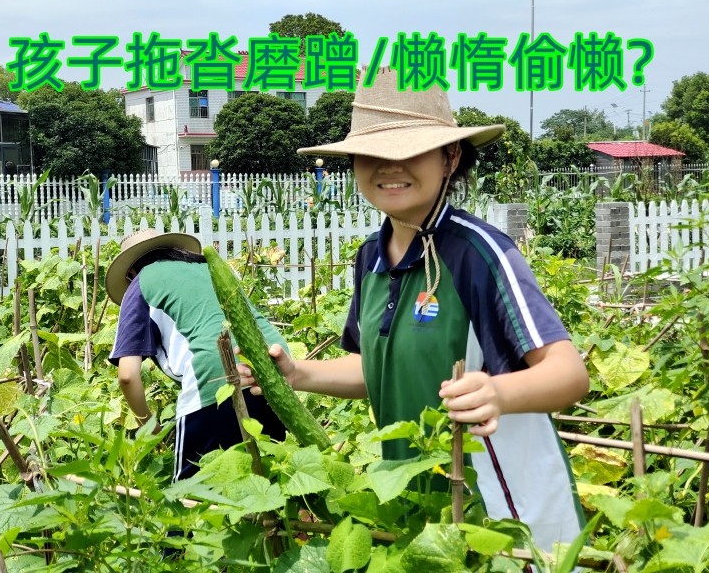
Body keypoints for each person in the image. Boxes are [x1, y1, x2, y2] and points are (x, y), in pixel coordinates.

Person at [238, 67, 590, 552]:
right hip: (417, 507)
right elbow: (375, 370)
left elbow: (569, 375)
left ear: (450, 157)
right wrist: (297, 373)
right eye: (372, 154)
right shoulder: (372, 258)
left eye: (410, 150)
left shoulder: (480, 254)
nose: (389, 166)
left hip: (503, 513)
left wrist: (497, 392)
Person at [106, 229, 288, 482]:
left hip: (215, 373)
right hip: (276, 361)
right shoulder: (207, 267)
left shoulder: (141, 282)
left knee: (192, 496)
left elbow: (127, 376)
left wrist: (148, 427)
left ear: (130, 272)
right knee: (276, 479)